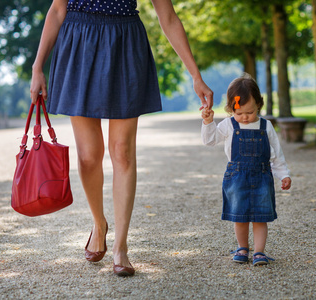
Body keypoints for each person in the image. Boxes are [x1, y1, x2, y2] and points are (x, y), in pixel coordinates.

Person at [30, 0, 213, 277]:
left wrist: (195, 75)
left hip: (125, 43)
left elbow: (168, 17)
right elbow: (57, 9)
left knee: (123, 152)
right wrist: (37, 66)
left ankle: (121, 246)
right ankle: (99, 224)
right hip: (78, 42)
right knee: (88, 156)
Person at [201, 74, 291, 266]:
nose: (244, 117)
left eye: (249, 112)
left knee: (260, 217)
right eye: (239, 113)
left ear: (259, 104)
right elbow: (209, 140)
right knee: (240, 216)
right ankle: (243, 247)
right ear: (231, 108)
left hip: (262, 176)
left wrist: (283, 174)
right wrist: (208, 123)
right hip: (237, 177)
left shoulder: (266, 126)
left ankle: (259, 252)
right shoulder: (228, 125)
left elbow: (276, 153)